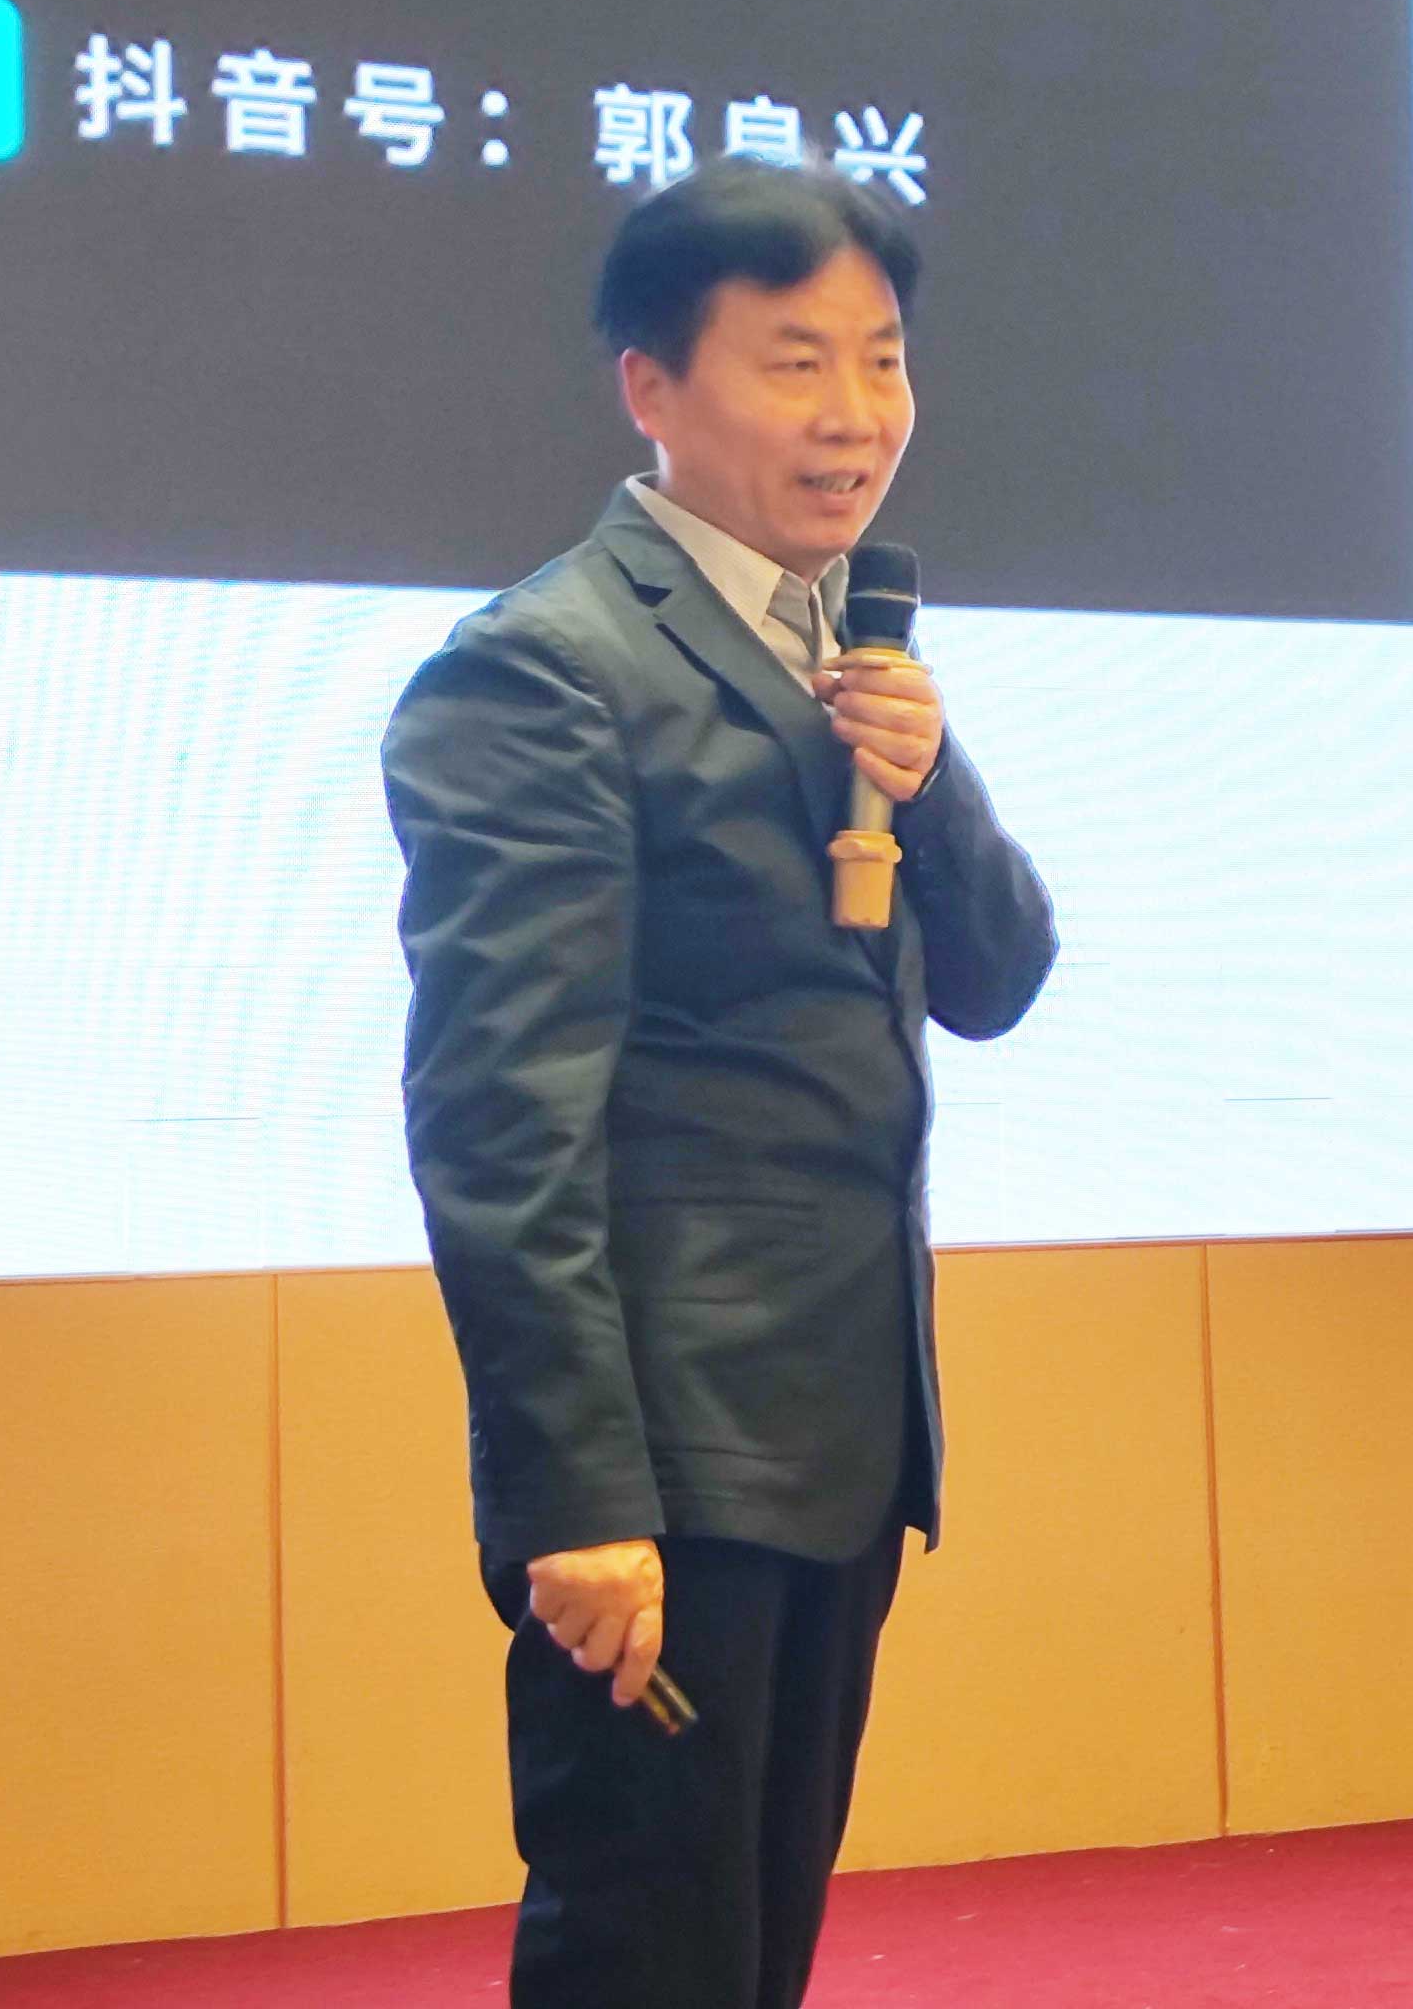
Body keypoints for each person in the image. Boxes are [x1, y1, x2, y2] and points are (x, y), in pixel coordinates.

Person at [384, 158, 1060, 2008]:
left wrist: (931, 779)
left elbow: (998, 980)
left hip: (838, 1434)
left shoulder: (857, 655)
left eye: (882, 360)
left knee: (754, 1953)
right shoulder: (545, 671)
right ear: (652, 389)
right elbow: (501, 1121)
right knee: (648, 1954)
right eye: (793, 362)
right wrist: (571, 1494)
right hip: (670, 1462)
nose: (855, 414)